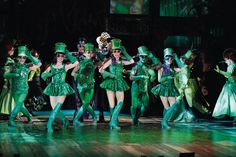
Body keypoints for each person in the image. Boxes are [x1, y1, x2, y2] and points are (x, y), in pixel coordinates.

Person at [41, 42, 79, 133]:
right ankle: (65, 120)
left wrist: (67, 52)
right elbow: (43, 75)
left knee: (57, 107)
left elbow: (76, 62)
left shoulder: (65, 66)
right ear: (56, 56)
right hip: (53, 88)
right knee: (55, 109)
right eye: (59, 55)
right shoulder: (51, 66)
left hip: (62, 88)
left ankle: (49, 125)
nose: (61, 57)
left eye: (62, 56)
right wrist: (50, 74)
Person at [99, 38, 134, 130]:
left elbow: (132, 61)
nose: (117, 53)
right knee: (112, 105)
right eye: (115, 51)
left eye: (118, 51)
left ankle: (112, 121)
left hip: (120, 82)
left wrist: (125, 51)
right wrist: (110, 75)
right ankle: (113, 122)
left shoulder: (122, 61)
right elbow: (100, 70)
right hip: (110, 82)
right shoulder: (110, 61)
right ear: (112, 52)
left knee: (121, 102)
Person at [7, 45, 41, 126]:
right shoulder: (13, 65)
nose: (22, 59)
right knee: (21, 106)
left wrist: (29, 55)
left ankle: (11, 119)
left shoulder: (27, 66)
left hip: (24, 90)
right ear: (17, 57)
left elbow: (39, 63)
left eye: (24, 57)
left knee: (18, 104)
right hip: (15, 89)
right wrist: (14, 74)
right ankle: (29, 116)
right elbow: (6, 75)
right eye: (20, 57)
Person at [151, 48, 180, 129]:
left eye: (171, 58)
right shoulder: (161, 68)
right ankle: (165, 123)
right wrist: (167, 78)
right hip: (163, 88)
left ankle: (164, 121)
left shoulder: (173, 69)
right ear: (164, 59)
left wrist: (177, 58)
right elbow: (159, 80)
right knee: (167, 107)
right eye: (167, 58)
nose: (169, 59)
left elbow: (183, 69)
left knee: (173, 106)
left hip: (171, 89)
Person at [71, 43, 98, 126]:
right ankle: (94, 116)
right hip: (81, 86)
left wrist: (99, 50)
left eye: (91, 52)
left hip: (90, 86)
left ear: (93, 53)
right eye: (87, 52)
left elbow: (103, 60)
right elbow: (72, 73)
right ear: (84, 53)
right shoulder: (80, 63)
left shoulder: (95, 63)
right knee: (85, 104)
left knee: (86, 103)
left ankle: (75, 120)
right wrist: (80, 76)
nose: (89, 53)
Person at [130, 46, 156, 125]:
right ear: (139, 56)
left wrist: (151, 78)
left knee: (145, 105)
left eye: (145, 56)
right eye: (142, 56)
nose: (144, 58)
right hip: (135, 88)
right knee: (134, 106)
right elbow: (131, 77)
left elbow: (153, 75)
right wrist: (140, 77)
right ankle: (134, 119)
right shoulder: (136, 66)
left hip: (144, 89)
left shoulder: (148, 66)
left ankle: (136, 118)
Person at [212, 48, 236, 125]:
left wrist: (220, 72)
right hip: (231, 85)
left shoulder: (231, 66)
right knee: (232, 102)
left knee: (232, 102)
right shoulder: (233, 65)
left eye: (225, 59)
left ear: (229, 58)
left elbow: (229, 74)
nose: (225, 61)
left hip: (231, 86)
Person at [0, 44, 16, 119]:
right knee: (8, 94)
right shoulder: (8, 60)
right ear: (9, 51)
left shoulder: (7, 59)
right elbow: (7, 70)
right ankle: (8, 111)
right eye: (12, 50)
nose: (13, 51)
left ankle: (9, 111)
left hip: (8, 79)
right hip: (8, 79)